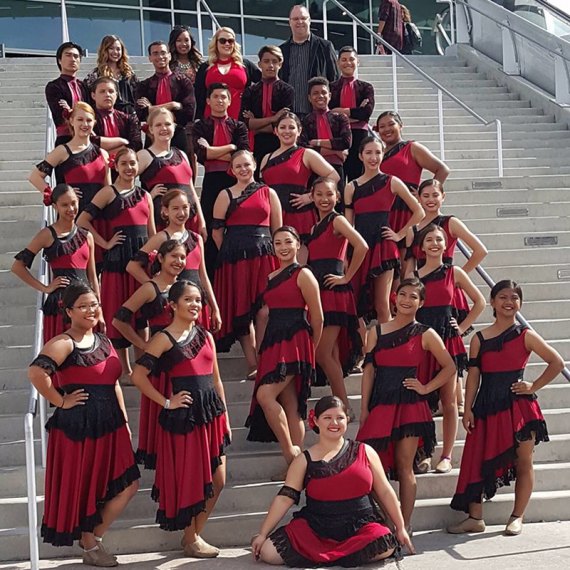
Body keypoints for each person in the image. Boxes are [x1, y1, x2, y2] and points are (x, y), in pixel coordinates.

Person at [28, 283, 139, 564]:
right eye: (83, 306)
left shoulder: (104, 340)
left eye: (94, 305)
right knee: (87, 485)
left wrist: (125, 420)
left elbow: (114, 384)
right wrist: (60, 400)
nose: (91, 310)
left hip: (111, 424)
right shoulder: (65, 342)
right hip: (79, 427)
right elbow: (36, 372)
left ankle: (92, 538)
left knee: (129, 484)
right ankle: (91, 545)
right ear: (68, 311)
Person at [448, 280, 564, 536]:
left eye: (514, 297)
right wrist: (467, 409)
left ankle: (517, 516)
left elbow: (556, 362)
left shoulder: (526, 335)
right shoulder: (478, 338)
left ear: (520, 303)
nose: (509, 302)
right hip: (486, 406)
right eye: (503, 297)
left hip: (519, 408)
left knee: (524, 461)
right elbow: (474, 377)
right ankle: (475, 518)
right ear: (492, 301)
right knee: (476, 459)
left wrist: (533, 385)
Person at [251, 395, 414, 566]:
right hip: (316, 527)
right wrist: (263, 534)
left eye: (339, 418)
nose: (334, 423)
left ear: (347, 420)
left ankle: (328, 557)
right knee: (268, 552)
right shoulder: (303, 460)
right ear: (316, 420)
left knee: (384, 543)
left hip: (359, 526)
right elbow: (285, 498)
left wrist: (400, 527)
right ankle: (334, 556)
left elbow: (385, 491)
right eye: (327, 418)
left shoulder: (365, 451)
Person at [131, 280, 231, 558]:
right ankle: (192, 537)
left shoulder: (206, 335)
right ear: (172, 305)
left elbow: (217, 380)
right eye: (189, 300)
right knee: (194, 480)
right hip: (185, 418)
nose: (195, 305)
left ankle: (194, 535)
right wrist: (166, 402)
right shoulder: (163, 338)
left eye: (198, 300)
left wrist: (225, 416)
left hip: (211, 414)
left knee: (219, 478)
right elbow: (137, 376)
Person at [357, 278, 456, 530]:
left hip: (411, 407)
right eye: (403, 294)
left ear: (421, 303)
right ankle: (388, 519)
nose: (406, 300)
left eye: (413, 296)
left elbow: (450, 367)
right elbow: (368, 372)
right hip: (381, 404)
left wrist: (425, 388)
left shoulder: (426, 333)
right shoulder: (375, 332)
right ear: (394, 297)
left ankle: (404, 525)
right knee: (367, 466)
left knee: (404, 467)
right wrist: (364, 408)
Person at [405, 178, 488, 414]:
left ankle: (455, 399)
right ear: (419, 198)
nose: (431, 200)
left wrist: (458, 277)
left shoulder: (450, 222)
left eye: (435, 195)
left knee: (450, 337)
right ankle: (447, 397)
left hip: (446, 282)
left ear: (443, 197)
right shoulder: (414, 228)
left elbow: (480, 250)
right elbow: (409, 261)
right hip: (421, 285)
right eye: (426, 196)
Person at [412, 224, 486, 474]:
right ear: (421, 246)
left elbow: (480, 301)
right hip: (421, 340)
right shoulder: (413, 276)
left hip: (447, 339)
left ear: (446, 245)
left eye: (439, 240)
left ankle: (446, 455)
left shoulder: (454, 272)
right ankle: (423, 452)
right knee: (420, 400)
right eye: (429, 240)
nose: (434, 243)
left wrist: (462, 326)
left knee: (449, 401)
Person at [246, 226, 322, 468]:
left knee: (265, 395)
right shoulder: (270, 276)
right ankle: (296, 465)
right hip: (274, 342)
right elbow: (267, 314)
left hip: (296, 341)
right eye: (278, 243)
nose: (283, 247)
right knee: (290, 403)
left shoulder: (304, 274)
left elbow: (318, 317)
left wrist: (311, 348)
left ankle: (292, 458)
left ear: (298, 244)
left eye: (288, 242)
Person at [77, 147, 155, 380]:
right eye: (125, 163)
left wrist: (152, 257)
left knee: (143, 313)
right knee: (120, 310)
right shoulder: (107, 193)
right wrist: (105, 243)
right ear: (116, 166)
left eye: (133, 163)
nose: (130, 168)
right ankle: (124, 368)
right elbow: (82, 220)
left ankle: (144, 362)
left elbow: (152, 232)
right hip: (118, 259)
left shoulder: (145, 195)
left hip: (141, 260)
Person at [113, 239, 186, 469]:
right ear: (161, 259)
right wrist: (142, 345)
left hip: (183, 358)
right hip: (160, 362)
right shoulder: (149, 288)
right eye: (174, 256)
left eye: (183, 257)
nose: (179, 261)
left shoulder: (184, 287)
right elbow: (118, 320)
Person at [212, 150, 282, 375]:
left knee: (264, 311)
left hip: (264, 256)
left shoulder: (269, 192)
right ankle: (253, 363)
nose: (243, 169)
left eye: (246, 165)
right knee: (242, 309)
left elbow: (277, 230)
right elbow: (216, 231)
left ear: (254, 165)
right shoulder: (225, 194)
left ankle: (263, 357)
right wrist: (230, 253)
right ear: (232, 170)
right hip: (235, 260)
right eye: (238, 166)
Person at [344, 136, 424, 323]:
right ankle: (364, 350)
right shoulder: (351, 187)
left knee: (382, 304)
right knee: (358, 305)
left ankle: (385, 350)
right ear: (360, 156)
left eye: (378, 153)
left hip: (383, 247)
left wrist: (399, 234)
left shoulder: (392, 182)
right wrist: (345, 255)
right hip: (360, 247)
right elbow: (349, 227)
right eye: (369, 153)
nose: (374, 157)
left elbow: (418, 211)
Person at [306, 177, 368, 416]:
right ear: (312, 196)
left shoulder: (338, 220)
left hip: (334, 291)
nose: (324, 199)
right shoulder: (313, 227)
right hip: (320, 291)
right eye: (319, 194)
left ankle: (345, 407)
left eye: (329, 194)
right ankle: (343, 406)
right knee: (329, 354)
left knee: (322, 354)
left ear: (338, 197)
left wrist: (346, 277)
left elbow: (361, 246)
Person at [12, 184, 100, 344]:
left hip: (86, 305)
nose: (71, 208)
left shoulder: (87, 236)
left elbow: (92, 277)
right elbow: (17, 266)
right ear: (55, 206)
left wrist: (98, 308)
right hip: (61, 304)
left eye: (74, 203)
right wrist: (45, 288)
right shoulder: (47, 234)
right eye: (65, 205)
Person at [127, 188, 220, 331]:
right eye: (175, 208)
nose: (181, 213)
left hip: (195, 301)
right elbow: (132, 266)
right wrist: (156, 288)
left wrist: (215, 307)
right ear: (165, 211)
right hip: (175, 306)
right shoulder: (161, 238)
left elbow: (203, 276)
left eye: (185, 208)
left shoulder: (197, 238)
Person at [192, 83, 250, 276]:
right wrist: (230, 148)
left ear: (229, 100)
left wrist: (213, 151)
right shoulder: (200, 126)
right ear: (208, 101)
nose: (220, 100)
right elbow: (201, 154)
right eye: (215, 96)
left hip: (234, 181)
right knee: (211, 226)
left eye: (223, 97)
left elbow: (242, 155)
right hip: (211, 181)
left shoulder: (238, 126)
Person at [260, 112, 339, 249]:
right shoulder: (266, 158)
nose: (287, 131)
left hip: (298, 215)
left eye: (291, 127)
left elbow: (334, 176)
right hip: (272, 215)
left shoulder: (306, 154)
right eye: (283, 127)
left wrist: (311, 196)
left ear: (299, 131)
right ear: (275, 131)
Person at [377, 110, 450, 244]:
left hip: (407, 210)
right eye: (382, 127)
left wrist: (424, 195)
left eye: (391, 124)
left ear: (400, 126)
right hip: (384, 210)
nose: (386, 129)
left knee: (406, 254)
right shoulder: (377, 155)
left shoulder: (412, 147)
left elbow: (442, 169)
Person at [29, 102, 110, 214]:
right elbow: (35, 177)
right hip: (72, 215)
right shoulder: (62, 151)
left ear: (94, 123)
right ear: (72, 121)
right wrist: (55, 195)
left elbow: (108, 190)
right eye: (80, 119)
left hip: (99, 216)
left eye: (89, 120)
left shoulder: (103, 154)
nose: (85, 124)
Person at [138, 107, 205, 235]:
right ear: (151, 129)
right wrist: (148, 197)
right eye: (158, 125)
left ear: (174, 127)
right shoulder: (144, 155)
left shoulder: (182, 154)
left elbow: (192, 191)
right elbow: (124, 184)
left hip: (190, 219)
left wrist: (202, 222)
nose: (164, 128)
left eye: (167, 124)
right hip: (163, 222)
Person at [240, 45, 295, 170]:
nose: (270, 65)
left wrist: (257, 125)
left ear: (280, 64)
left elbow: (285, 124)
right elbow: (246, 123)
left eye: (274, 62)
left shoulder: (287, 90)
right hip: (258, 144)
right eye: (266, 61)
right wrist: (274, 118)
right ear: (259, 64)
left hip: (281, 144)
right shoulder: (251, 91)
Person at [136, 41, 196, 154]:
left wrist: (151, 108)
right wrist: (173, 105)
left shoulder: (183, 82)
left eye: (163, 53)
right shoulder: (144, 85)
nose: (160, 56)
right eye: (155, 53)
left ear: (169, 55)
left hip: (178, 134)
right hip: (153, 136)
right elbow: (140, 113)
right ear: (150, 58)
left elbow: (189, 112)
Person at [279, 4, 339, 118]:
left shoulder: (325, 46)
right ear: (289, 22)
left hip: (316, 114)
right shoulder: (282, 50)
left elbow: (334, 79)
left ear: (309, 21)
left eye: (303, 18)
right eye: (295, 19)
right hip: (289, 116)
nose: (299, 21)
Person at [301, 77, 352, 204]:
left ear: (329, 95)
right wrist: (335, 152)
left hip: (337, 168)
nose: (320, 96)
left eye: (323, 92)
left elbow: (346, 142)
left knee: (337, 204)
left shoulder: (341, 118)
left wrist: (317, 142)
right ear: (309, 98)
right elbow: (303, 148)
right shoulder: (305, 121)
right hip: (313, 170)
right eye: (315, 93)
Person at [330, 47, 375, 183]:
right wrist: (355, 111)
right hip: (338, 135)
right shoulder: (331, 87)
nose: (347, 63)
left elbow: (365, 113)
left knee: (358, 175)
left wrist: (341, 111)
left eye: (351, 59)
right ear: (338, 63)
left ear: (358, 62)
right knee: (339, 177)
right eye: (343, 60)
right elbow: (330, 113)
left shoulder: (366, 87)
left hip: (359, 134)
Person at [194, 27, 260, 121]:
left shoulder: (245, 64)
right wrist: (197, 118)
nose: (227, 44)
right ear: (216, 43)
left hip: (239, 118)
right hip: (210, 119)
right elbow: (198, 94)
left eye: (230, 41)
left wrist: (250, 100)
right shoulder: (206, 67)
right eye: (222, 41)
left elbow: (262, 83)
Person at [45, 41, 89, 146]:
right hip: (66, 139)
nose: (73, 59)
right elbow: (61, 114)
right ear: (59, 60)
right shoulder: (53, 86)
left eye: (76, 56)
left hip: (87, 138)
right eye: (68, 55)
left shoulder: (85, 87)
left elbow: (91, 111)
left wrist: (70, 110)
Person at [84, 35, 139, 115]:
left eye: (118, 49)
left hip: (128, 116)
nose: (115, 52)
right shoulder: (96, 74)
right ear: (105, 50)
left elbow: (138, 94)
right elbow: (87, 98)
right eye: (111, 48)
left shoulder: (128, 73)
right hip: (105, 116)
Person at [91, 77, 142, 152]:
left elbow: (136, 146)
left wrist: (106, 153)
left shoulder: (128, 118)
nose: (107, 94)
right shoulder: (87, 119)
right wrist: (121, 141)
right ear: (93, 95)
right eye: (102, 91)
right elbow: (88, 143)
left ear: (116, 95)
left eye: (111, 91)